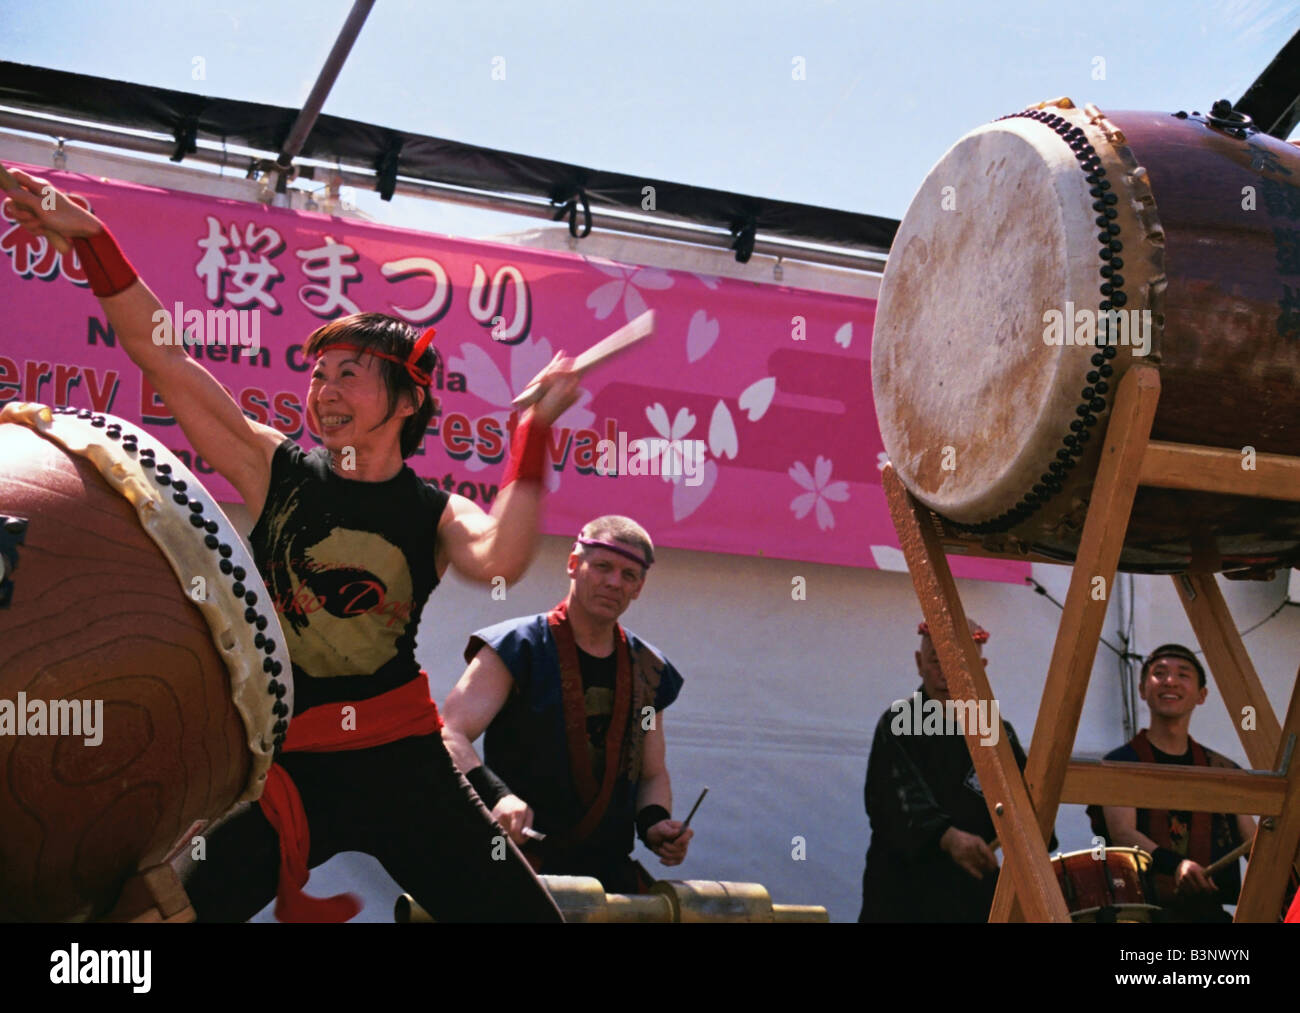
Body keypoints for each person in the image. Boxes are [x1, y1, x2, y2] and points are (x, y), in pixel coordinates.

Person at [1, 166, 576, 922]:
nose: (324, 391)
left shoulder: (434, 514)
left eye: (350, 375)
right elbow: (163, 355)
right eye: (319, 374)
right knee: (151, 928)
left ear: (408, 403)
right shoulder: (273, 468)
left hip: (401, 759)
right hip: (283, 762)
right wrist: (96, 244)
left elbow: (501, 556)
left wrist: (533, 438)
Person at [441, 516, 692, 894]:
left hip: (608, 877)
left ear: (639, 587)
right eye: (603, 567)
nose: (613, 582)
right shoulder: (516, 647)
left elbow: (651, 771)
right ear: (574, 564)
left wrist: (656, 823)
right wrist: (498, 796)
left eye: (628, 575)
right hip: (522, 863)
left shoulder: (649, 671)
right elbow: (450, 733)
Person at [859, 619, 1047, 922]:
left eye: (960, 662)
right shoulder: (899, 721)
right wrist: (946, 837)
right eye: (936, 660)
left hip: (972, 898)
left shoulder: (997, 734)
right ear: (919, 663)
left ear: (981, 667)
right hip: (904, 896)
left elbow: (1028, 810)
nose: (946, 673)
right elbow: (894, 801)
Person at [1087, 644, 1256, 923]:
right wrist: (1177, 866)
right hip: (1137, 916)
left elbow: (1255, 846)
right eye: (1159, 673)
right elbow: (1123, 833)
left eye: (1183, 674)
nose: (1170, 681)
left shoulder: (1222, 770)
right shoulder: (1119, 763)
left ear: (1202, 695)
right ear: (1142, 690)